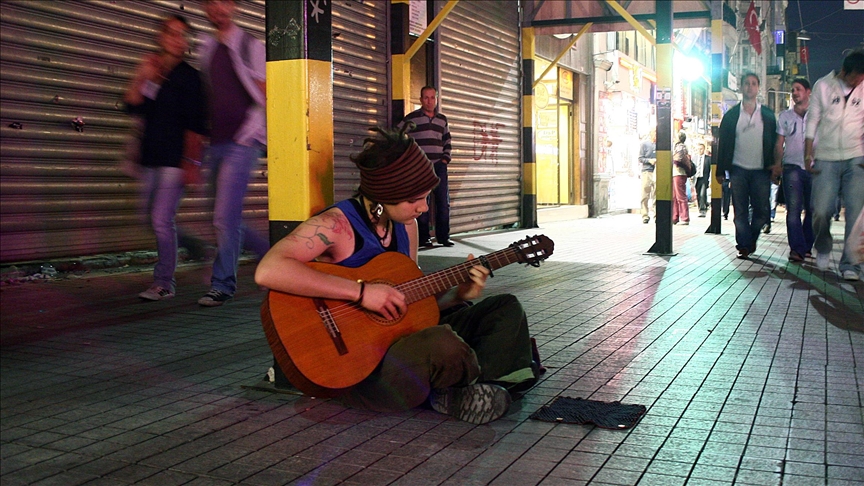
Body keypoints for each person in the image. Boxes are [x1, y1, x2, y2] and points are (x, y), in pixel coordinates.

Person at [255, 126, 538, 424]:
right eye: (414, 200)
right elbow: (268, 270)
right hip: (362, 371)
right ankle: (460, 389)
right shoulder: (336, 225)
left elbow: (409, 307)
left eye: (426, 197)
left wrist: (458, 295)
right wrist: (362, 293)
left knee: (505, 308)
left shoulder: (406, 226)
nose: (423, 207)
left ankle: (470, 389)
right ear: (384, 196)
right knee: (441, 343)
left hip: (403, 345)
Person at [124, 15, 207, 301]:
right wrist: (142, 75)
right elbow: (132, 107)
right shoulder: (153, 69)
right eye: (171, 33)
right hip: (150, 157)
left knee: (161, 218)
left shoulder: (189, 77)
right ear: (160, 37)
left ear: (186, 42)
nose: (176, 39)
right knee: (149, 218)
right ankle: (193, 246)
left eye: (182, 34)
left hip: (175, 158)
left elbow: (196, 125)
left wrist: (192, 163)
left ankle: (164, 283)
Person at [197, 0, 270, 306]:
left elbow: (267, 95)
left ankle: (223, 284)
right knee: (223, 215)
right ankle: (269, 256)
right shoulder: (207, 47)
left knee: (224, 216)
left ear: (234, 5)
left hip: (242, 142)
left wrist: (254, 132)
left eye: (223, 1)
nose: (217, 8)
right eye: (211, 2)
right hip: (215, 142)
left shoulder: (250, 46)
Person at [805, 50, 864, 281]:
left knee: (856, 213)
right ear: (844, 71)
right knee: (821, 210)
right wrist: (808, 153)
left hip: (856, 156)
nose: (858, 82)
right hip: (826, 156)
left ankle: (851, 264)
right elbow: (812, 120)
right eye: (855, 78)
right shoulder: (823, 86)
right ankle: (823, 245)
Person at [716, 72, 778, 259]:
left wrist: (776, 166)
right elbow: (723, 143)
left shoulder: (767, 115)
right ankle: (743, 245)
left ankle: (750, 239)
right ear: (741, 87)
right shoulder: (731, 116)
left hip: (761, 171)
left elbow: (775, 143)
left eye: (753, 83)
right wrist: (720, 170)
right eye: (747, 83)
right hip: (738, 170)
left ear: (758, 88)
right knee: (740, 211)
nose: (750, 87)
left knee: (762, 212)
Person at [398, 86, 453, 247]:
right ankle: (424, 238)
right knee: (421, 202)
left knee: (443, 202)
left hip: (439, 167)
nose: (429, 101)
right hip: (420, 168)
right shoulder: (412, 118)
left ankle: (443, 237)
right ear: (421, 99)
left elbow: (447, 140)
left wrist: (445, 159)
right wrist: (409, 158)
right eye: (426, 98)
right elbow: (398, 135)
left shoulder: (442, 119)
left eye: (432, 97)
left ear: (436, 99)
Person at [774, 78, 814, 263]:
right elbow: (779, 143)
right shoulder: (785, 116)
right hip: (792, 167)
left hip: (815, 168)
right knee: (793, 210)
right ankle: (797, 249)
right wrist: (777, 164)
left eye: (799, 89)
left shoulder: (817, 116)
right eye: (793, 90)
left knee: (813, 210)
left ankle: (806, 245)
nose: (795, 93)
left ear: (808, 92)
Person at [672, 131, 691, 225]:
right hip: (675, 173)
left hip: (679, 173)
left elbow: (677, 159)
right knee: (675, 196)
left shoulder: (680, 147)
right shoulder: (678, 147)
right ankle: (675, 217)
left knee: (680, 196)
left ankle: (685, 217)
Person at [638, 129, 657, 224]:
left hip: (657, 171)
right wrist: (649, 160)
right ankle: (645, 215)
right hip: (647, 171)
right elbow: (640, 158)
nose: (656, 134)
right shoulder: (644, 144)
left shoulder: (660, 145)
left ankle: (656, 215)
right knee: (645, 194)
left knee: (656, 194)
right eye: (654, 132)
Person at [693, 143, 711, 217]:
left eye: (701, 149)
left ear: (704, 149)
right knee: (698, 194)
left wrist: (710, 179)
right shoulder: (694, 158)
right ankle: (701, 207)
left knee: (702, 194)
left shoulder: (708, 158)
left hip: (704, 178)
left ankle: (703, 210)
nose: (700, 150)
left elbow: (710, 169)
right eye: (698, 149)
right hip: (696, 178)